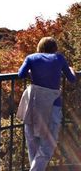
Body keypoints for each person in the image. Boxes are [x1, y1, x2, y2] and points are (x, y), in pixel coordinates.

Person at [17, 37, 76, 171]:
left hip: (33, 104)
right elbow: (71, 79)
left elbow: (21, 75)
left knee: (32, 143)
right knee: (49, 142)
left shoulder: (31, 58)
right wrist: (71, 70)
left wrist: (32, 73)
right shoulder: (59, 58)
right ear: (55, 48)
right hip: (53, 105)